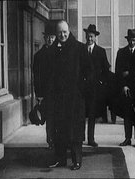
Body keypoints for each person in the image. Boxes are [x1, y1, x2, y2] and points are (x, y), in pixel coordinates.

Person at [48, 20, 87, 170]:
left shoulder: (79, 48)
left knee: (75, 131)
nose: (62, 35)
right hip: (58, 99)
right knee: (59, 129)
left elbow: (89, 72)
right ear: (56, 34)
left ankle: (77, 160)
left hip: (75, 99)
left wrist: (80, 90)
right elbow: (49, 75)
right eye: (59, 32)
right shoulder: (52, 51)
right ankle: (60, 159)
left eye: (65, 32)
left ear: (69, 32)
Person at [83, 24, 111, 147]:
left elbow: (106, 69)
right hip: (82, 88)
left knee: (92, 115)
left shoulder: (101, 51)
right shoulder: (81, 50)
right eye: (88, 36)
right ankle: (79, 138)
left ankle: (91, 139)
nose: (89, 39)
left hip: (94, 89)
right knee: (81, 114)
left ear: (95, 37)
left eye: (92, 37)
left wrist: (101, 82)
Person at [33, 22, 56, 149]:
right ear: (44, 38)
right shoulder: (39, 56)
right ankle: (50, 141)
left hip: (59, 92)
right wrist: (39, 94)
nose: (50, 39)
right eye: (47, 37)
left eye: (52, 37)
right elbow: (36, 77)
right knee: (49, 117)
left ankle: (58, 140)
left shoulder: (60, 53)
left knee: (58, 117)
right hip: (46, 93)